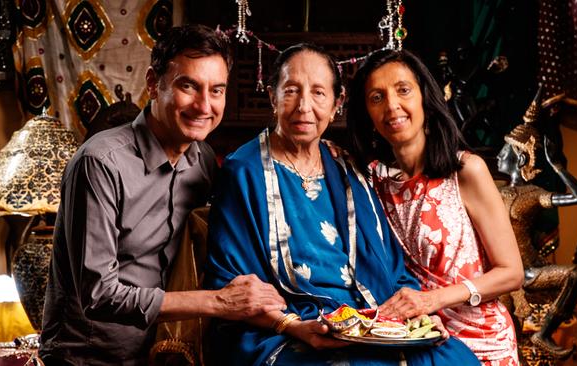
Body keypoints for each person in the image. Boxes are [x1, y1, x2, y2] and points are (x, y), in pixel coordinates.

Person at [204, 43, 480, 366]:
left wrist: (416, 315)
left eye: (319, 93)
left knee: (452, 358)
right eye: (291, 91)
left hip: (367, 320)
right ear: (272, 97)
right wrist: (292, 325)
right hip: (287, 328)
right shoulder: (244, 170)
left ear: (337, 103)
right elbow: (229, 284)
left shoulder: (346, 167)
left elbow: (390, 265)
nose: (304, 107)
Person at [39, 24, 286, 365]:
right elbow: (97, 294)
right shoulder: (100, 163)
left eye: (216, 90)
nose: (204, 105)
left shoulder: (202, 162)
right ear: (154, 83)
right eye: (189, 86)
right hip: (87, 357)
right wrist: (217, 302)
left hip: (162, 353)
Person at [346, 48, 524, 366]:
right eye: (377, 97)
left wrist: (430, 299)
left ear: (424, 98)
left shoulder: (466, 171)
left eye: (403, 90)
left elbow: (511, 273)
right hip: (415, 341)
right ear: (368, 114)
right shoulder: (372, 182)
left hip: (483, 342)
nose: (392, 106)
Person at [496, 91, 577, 359]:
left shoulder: (534, 194)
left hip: (529, 270)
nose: (500, 155)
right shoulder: (493, 192)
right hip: (502, 274)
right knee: (508, 336)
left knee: (576, 274)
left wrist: (556, 166)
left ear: (520, 157)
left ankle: (544, 333)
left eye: (505, 150)